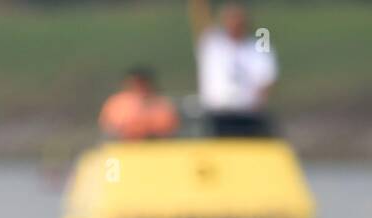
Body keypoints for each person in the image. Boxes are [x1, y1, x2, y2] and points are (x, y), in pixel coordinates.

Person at [188, 0, 278, 136]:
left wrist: (258, 107)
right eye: (231, 18)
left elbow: (266, 80)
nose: (235, 23)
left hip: (247, 115)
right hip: (215, 113)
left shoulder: (259, 48)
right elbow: (200, 19)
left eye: (238, 19)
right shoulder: (212, 43)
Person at [98, 67, 180, 141]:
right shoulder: (117, 103)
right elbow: (110, 129)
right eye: (136, 83)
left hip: (157, 149)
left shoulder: (162, 104)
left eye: (142, 83)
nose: (139, 87)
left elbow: (167, 129)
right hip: (123, 148)